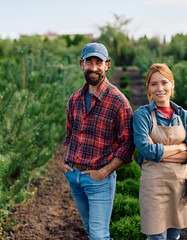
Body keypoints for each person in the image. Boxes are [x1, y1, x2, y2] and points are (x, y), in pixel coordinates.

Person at [60, 42, 135, 240]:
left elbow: (127, 145)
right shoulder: (74, 99)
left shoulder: (119, 101)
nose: (93, 67)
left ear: (107, 65)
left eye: (98, 62)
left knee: (99, 236)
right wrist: (63, 162)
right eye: (89, 62)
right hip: (74, 175)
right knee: (88, 228)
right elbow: (70, 134)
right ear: (81, 64)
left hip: (99, 179)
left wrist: (104, 172)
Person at [133, 63, 187, 240]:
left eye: (164, 82)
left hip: (178, 184)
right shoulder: (142, 115)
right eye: (153, 84)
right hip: (154, 186)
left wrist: (159, 150)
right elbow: (146, 150)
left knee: (174, 235)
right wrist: (179, 147)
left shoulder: (183, 115)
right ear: (148, 87)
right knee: (157, 237)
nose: (159, 88)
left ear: (172, 84)